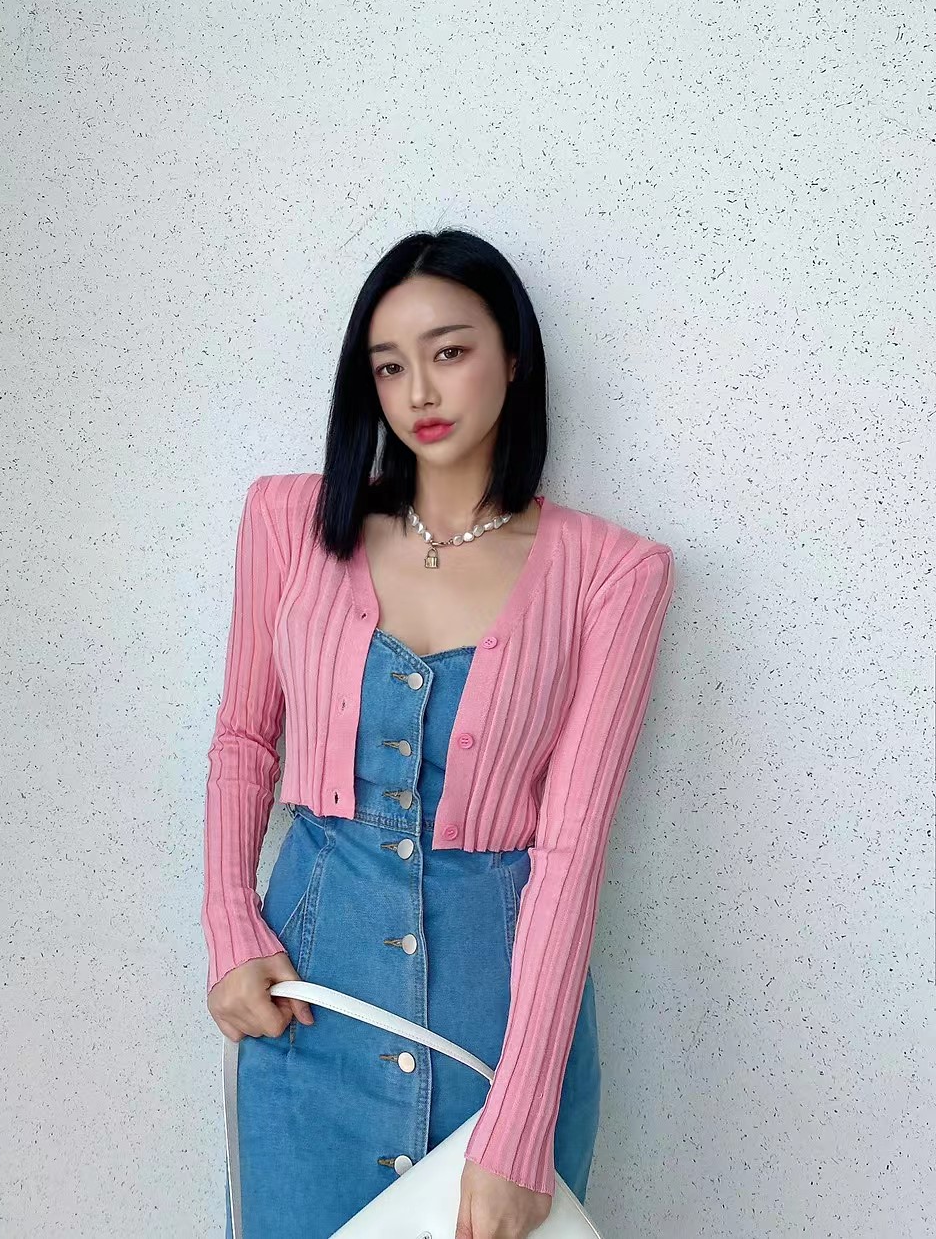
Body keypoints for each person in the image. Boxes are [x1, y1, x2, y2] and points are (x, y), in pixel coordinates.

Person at [202, 228, 677, 1239]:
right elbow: (245, 737)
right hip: (309, 1010)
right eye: (389, 365)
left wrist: (522, 1121)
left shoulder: (612, 572)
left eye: (450, 351)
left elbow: (572, 852)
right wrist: (231, 927)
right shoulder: (289, 523)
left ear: (514, 357)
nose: (419, 389)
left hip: (499, 1034)